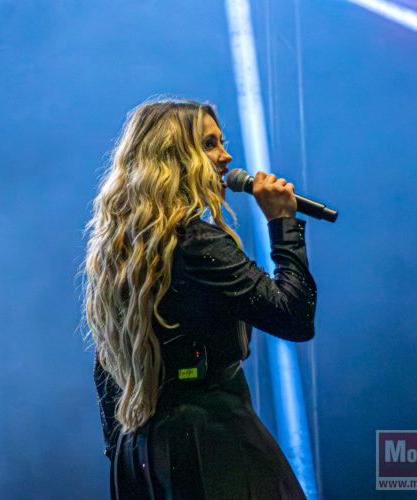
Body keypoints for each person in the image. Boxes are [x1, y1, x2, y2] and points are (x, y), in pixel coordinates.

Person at [83, 97, 316, 499]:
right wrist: (283, 224)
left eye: (222, 142)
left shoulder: (120, 249)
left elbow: (106, 362)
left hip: (142, 449)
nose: (226, 157)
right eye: (209, 144)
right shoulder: (196, 242)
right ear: (173, 158)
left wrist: (122, 454)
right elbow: (294, 316)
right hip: (210, 441)